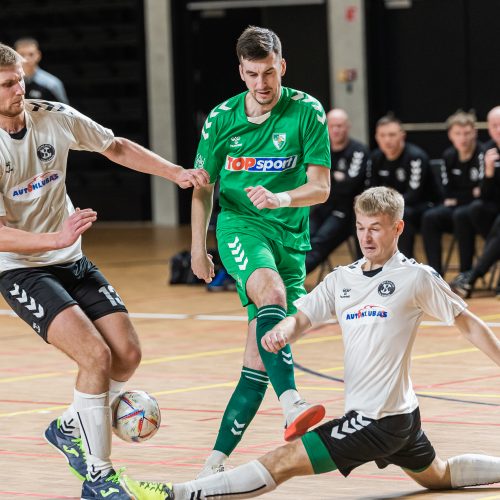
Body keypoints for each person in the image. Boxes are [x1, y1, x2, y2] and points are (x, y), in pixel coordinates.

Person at [123, 186, 500, 500]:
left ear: (398, 227)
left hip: (376, 420)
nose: (366, 238)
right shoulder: (342, 279)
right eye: (360, 227)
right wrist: (284, 331)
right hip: (401, 418)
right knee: (438, 475)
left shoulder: (415, 277)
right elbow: (302, 317)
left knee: (283, 461)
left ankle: (181, 493)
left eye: (377, 229)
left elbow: (468, 323)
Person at [0, 43, 209, 499]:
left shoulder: (51, 114)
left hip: (71, 258)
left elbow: (114, 146)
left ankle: (70, 426)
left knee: (127, 354)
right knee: (94, 357)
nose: (20, 88)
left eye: (20, 78)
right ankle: (99, 478)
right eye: (8, 84)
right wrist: (53, 239)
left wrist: (175, 173)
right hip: (22, 270)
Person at [190, 26, 331, 477]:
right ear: (241, 72)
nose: (262, 84)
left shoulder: (307, 110)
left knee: (260, 352)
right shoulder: (221, 118)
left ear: (281, 66)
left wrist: (282, 199)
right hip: (239, 225)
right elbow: (201, 188)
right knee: (268, 291)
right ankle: (292, 405)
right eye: (252, 74)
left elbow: (322, 188)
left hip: (290, 237)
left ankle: (213, 463)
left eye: (269, 72)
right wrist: (198, 246)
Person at [421, 110, 484, 276]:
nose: (463, 138)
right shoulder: (449, 156)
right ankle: (435, 274)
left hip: (476, 214)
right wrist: (469, 193)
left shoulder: (482, 154)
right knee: (430, 217)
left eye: (467, 133)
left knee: (462, 215)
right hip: (456, 209)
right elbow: (447, 193)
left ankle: (465, 274)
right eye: (458, 133)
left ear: (474, 133)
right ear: (450, 135)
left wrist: (460, 197)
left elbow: (483, 191)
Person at [305, 108, 368, 274]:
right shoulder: (319, 149)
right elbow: (308, 179)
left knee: (320, 241)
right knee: (302, 239)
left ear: (347, 127)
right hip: (320, 206)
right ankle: (285, 276)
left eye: (340, 126)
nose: (336, 130)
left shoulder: (358, 150)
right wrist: (336, 176)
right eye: (332, 126)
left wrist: (326, 178)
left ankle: (291, 280)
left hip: (345, 211)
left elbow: (349, 185)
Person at [368, 114, 432, 258]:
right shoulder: (375, 157)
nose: (387, 140)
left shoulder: (416, 156)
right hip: (390, 207)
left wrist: (384, 207)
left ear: (402, 135)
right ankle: (369, 264)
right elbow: (372, 189)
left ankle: (404, 263)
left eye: (392, 135)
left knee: (403, 215)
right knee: (363, 214)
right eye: (382, 135)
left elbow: (414, 195)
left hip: (420, 205)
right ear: (377, 137)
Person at [450, 106, 500, 294]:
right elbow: (484, 195)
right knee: (470, 210)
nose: (498, 130)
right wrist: (488, 173)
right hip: (494, 212)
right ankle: (466, 273)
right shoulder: (487, 151)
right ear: (488, 128)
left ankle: (472, 276)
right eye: (494, 126)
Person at [14, 37, 69, 103]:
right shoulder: (8, 82)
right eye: (22, 55)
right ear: (15, 56)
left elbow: (64, 110)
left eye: (31, 54)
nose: (26, 59)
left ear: (38, 55)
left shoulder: (52, 84)